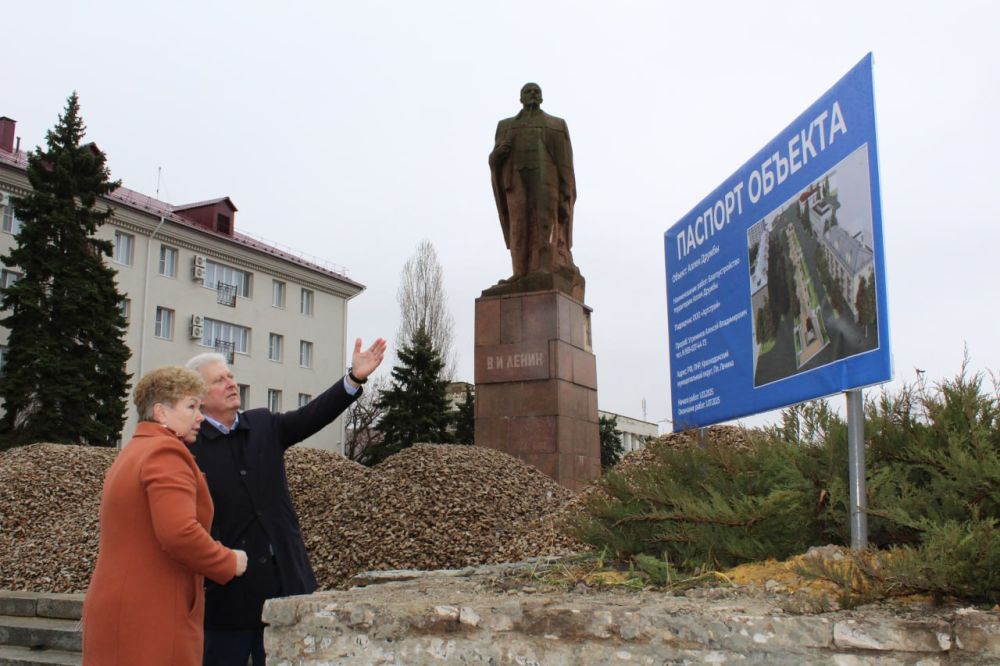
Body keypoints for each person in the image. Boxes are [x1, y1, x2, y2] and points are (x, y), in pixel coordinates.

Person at [187, 337, 386, 665]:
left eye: (231, 376)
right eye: (219, 380)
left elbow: (313, 415)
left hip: (287, 586)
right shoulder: (189, 449)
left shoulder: (263, 425)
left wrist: (354, 379)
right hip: (226, 599)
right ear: (198, 395)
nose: (230, 383)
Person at [82, 366, 248, 666]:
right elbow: (179, 533)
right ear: (161, 413)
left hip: (120, 608)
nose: (200, 415)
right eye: (191, 406)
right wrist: (227, 561)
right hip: (152, 612)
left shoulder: (135, 450)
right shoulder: (166, 453)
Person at [489, 82, 580, 285]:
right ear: (520, 98)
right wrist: (497, 154)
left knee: (545, 222)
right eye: (527, 92)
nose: (532, 94)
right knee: (518, 225)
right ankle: (519, 272)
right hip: (516, 180)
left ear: (541, 97)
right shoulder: (505, 126)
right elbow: (494, 160)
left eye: (536, 91)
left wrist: (566, 192)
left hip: (547, 181)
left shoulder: (555, 124)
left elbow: (565, 163)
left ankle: (545, 267)